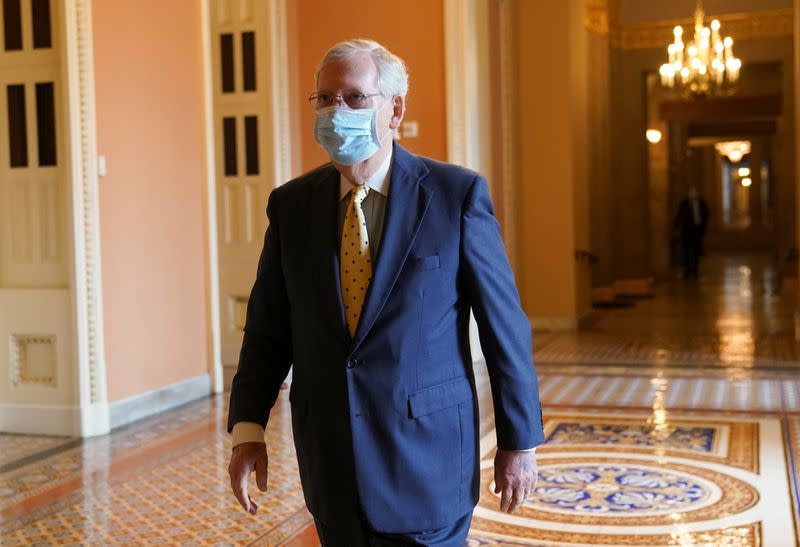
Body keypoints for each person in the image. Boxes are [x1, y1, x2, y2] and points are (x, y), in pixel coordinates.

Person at [226, 39, 544, 546]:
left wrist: (520, 442)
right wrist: (248, 429)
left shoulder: (455, 195)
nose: (336, 111)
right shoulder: (291, 207)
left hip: (428, 463)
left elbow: (503, 327)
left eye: (354, 98)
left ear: (394, 109)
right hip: (331, 464)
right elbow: (268, 328)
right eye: (324, 99)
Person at [673, 185, 710, 279]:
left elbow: (706, 215)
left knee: (696, 251)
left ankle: (695, 271)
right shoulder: (684, 202)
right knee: (686, 251)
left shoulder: (701, 202)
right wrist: (677, 228)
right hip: (686, 231)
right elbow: (679, 215)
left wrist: (703, 228)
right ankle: (687, 271)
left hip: (697, 230)